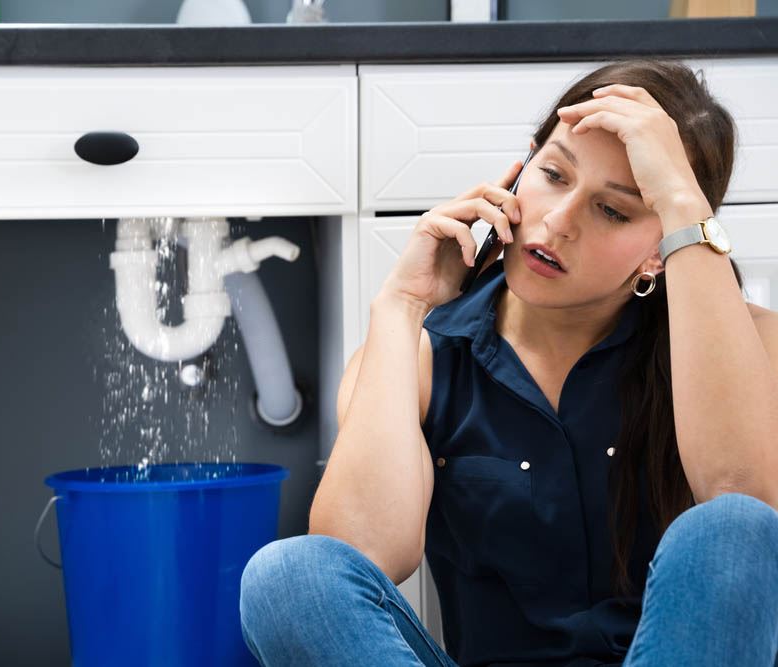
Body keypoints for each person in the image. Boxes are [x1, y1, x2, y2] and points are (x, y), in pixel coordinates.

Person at [239, 59, 778, 666]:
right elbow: (357, 559)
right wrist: (401, 305)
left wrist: (681, 201)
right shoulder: (419, 357)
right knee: (289, 575)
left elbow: (746, 509)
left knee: (732, 531)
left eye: (614, 210)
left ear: (659, 249)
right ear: (520, 168)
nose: (558, 220)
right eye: (552, 174)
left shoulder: (752, 346)